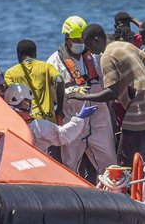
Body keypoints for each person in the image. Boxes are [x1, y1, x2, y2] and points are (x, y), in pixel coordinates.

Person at [69, 24, 145, 166]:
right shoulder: (125, 45)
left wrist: (81, 97)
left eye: (89, 45)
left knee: (123, 160)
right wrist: (141, 82)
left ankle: (126, 188)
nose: (89, 50)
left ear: (97, 40)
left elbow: (111, 93)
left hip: (139, 109)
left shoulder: (107, 57)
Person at [46, 16, 117, 178]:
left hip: (99, 119)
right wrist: (73, 93)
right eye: (75, 39)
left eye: (81, 38)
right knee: (70, 165)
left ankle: (114, 193)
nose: (80, 42)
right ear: (67, 38)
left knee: (110, 163)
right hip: (73, 119)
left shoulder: (95, 56)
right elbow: (53, 96)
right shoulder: (53, 63)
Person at [4, 83, 97, 154]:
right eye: (27, 102)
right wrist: (79, 118)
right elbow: (63, 135)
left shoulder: (4, 124)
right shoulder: (39, 126)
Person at [4, 39, 64, 124]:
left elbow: (11, 98)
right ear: (35, 54)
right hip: (48, 120)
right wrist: (60, 109)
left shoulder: (10, 73)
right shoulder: (47, 67)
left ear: (19, 55)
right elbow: (59, 80)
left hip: (27, 122)